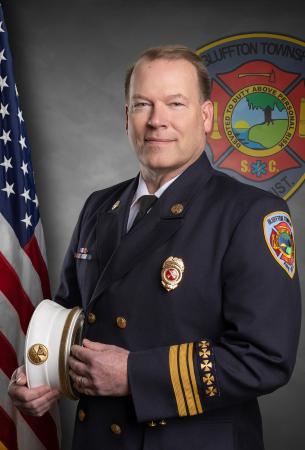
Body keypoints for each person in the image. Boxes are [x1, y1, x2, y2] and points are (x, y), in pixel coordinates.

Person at [9, 45, 301, 450]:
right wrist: (40, 373)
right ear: (125, 118)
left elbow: (266, 357)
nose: (156, 120)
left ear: (206, 116)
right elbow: (71, 318)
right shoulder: (99, 206)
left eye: (175, 103)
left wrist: (134, 374)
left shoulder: (251, 213)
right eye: (142, 104)